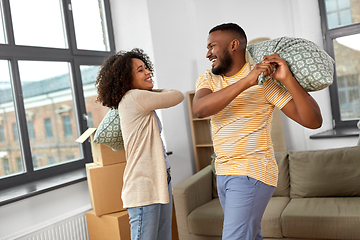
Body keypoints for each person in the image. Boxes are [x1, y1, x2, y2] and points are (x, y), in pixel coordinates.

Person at [193, 23, 322, 240]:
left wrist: (287, 79)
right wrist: (246, 81)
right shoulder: (209, 79)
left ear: (233, 45)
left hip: (251, 172)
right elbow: (200, 109)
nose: (208, 53)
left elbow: (313, 121)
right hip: (224, 173)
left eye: (212, 46)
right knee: (249, 235)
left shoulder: (265, 84)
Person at [95, 48, 184, 240]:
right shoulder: (135, 97)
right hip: (144, 186)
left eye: (146, 68)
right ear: (127, 79)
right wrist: (151, 90)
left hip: (160, 180)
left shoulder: (136, 99)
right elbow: (177, 95)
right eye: (140, 70)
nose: (148, 73)